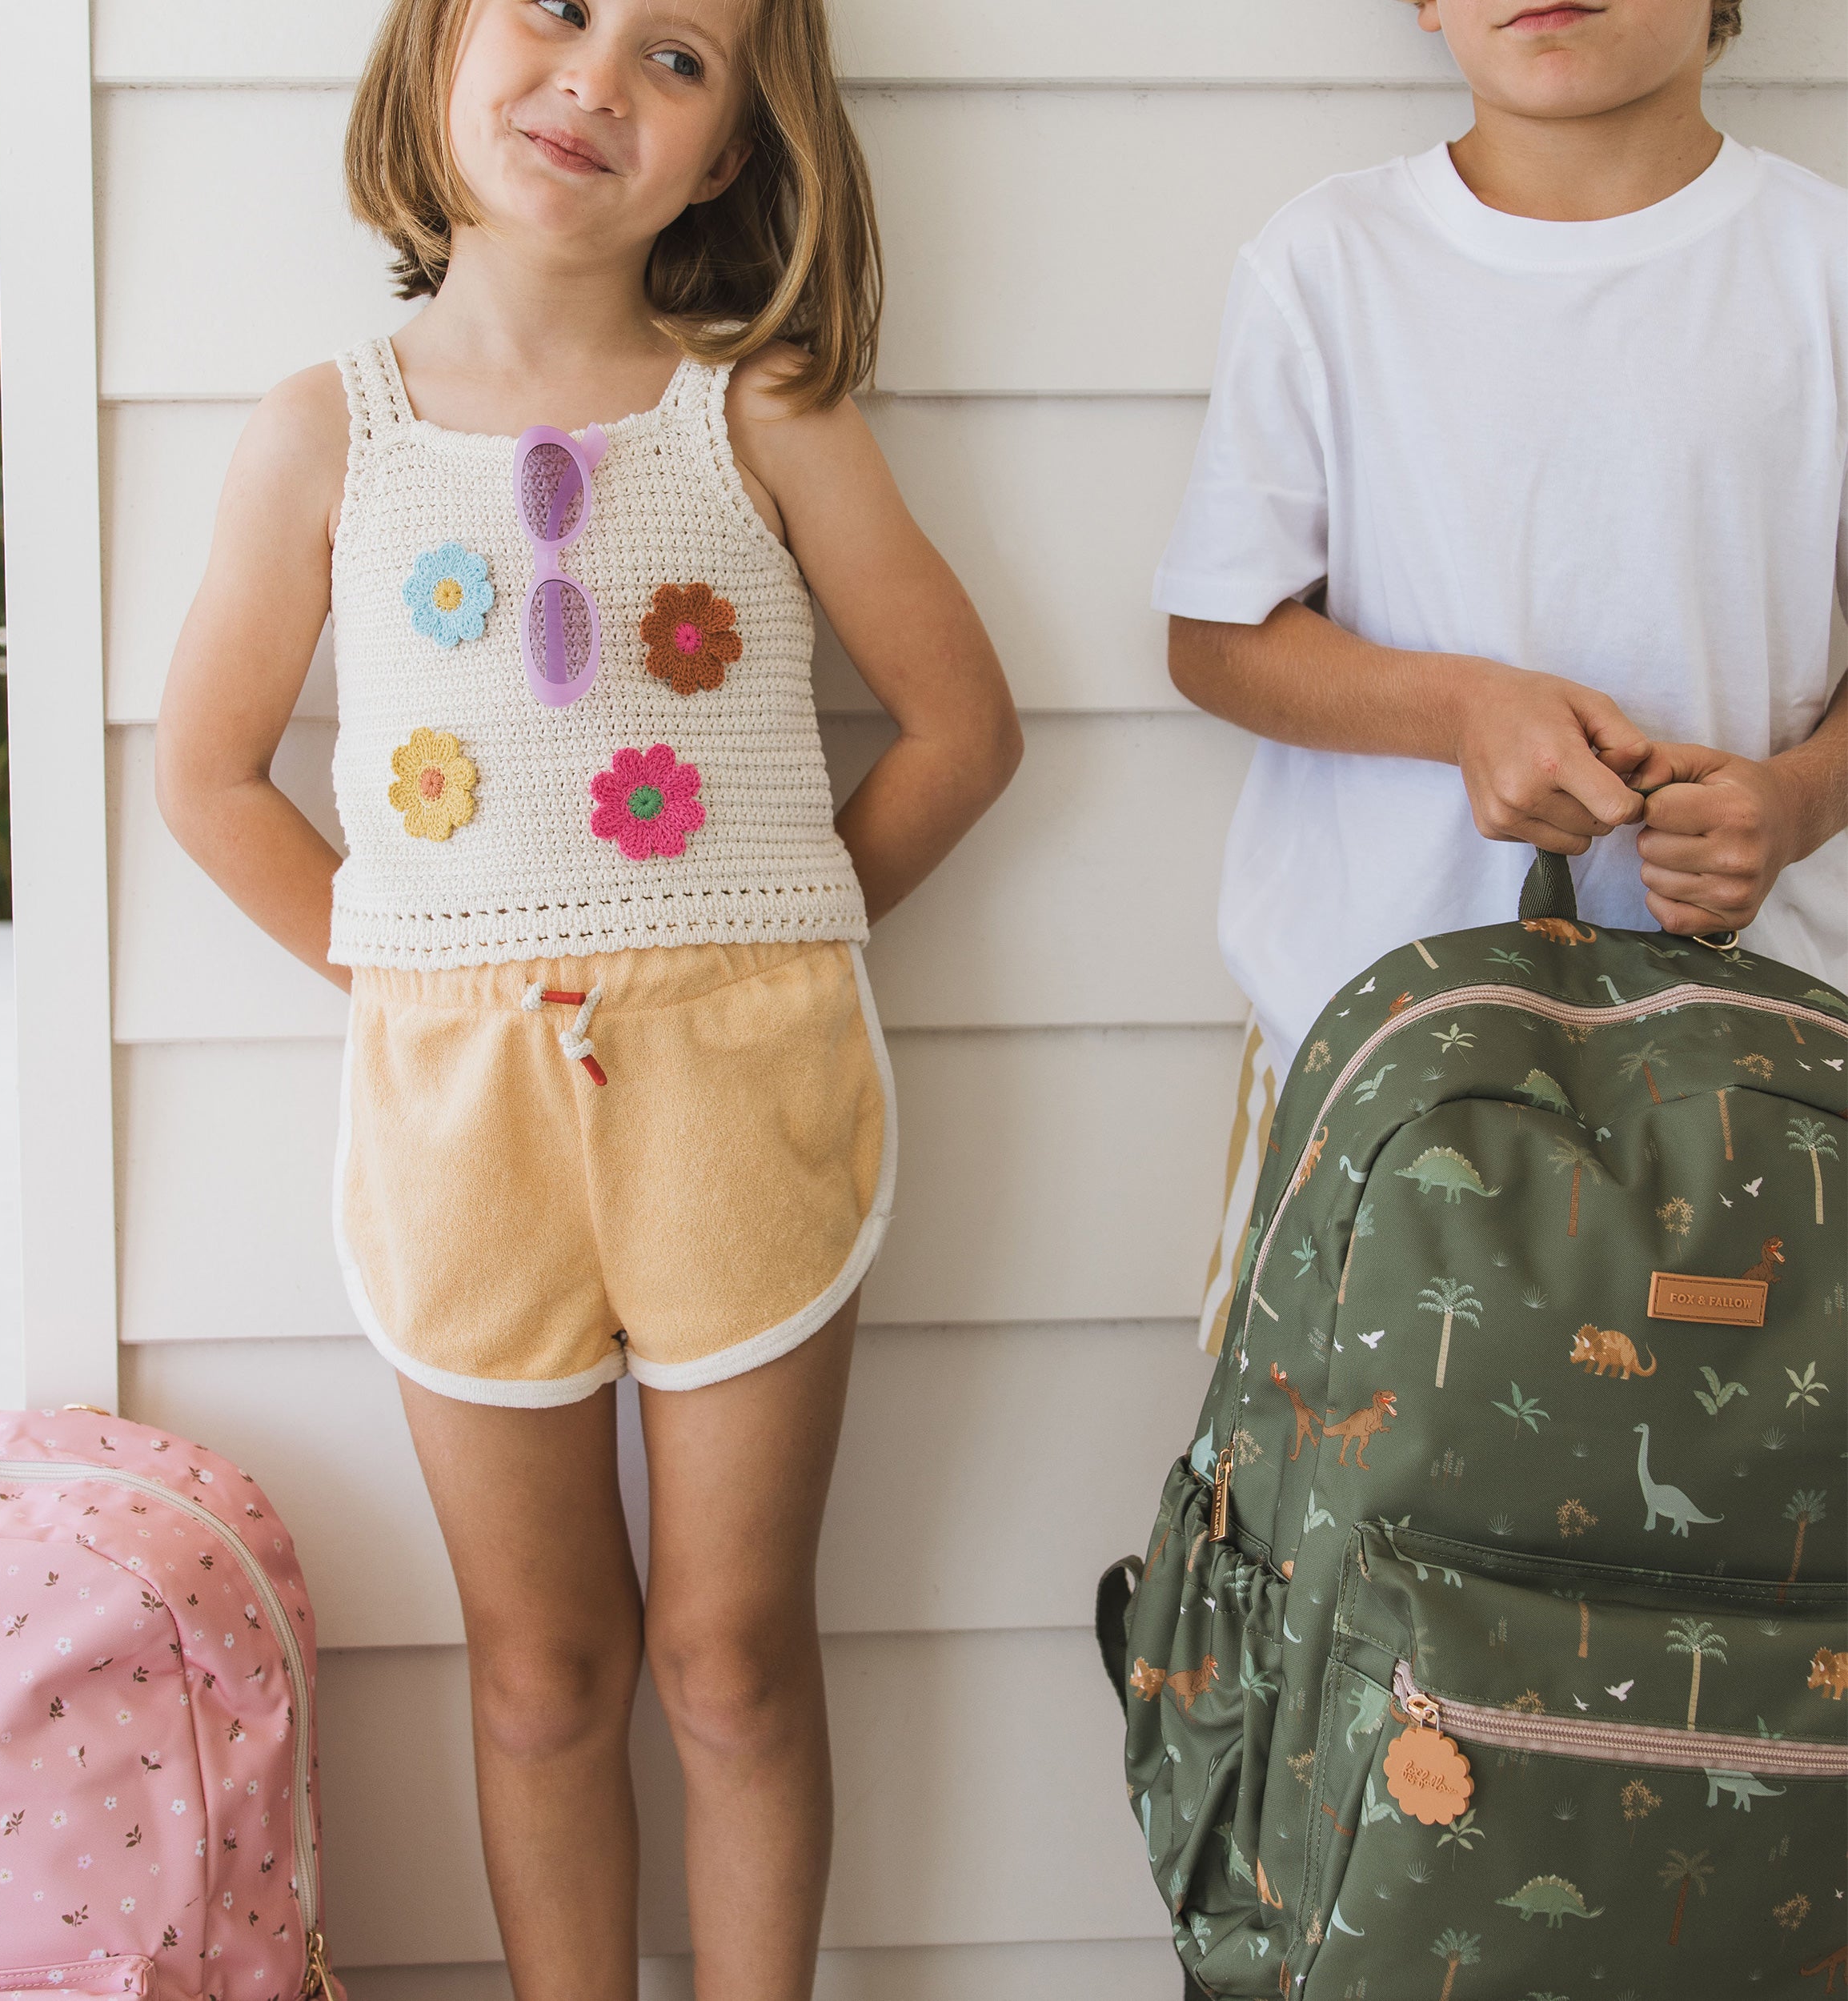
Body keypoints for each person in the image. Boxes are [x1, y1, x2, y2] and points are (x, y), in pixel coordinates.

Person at [154, 0, 1020, 1992]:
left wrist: (768, 935)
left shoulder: (764, 412)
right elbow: (208, 778)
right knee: (542, 1668)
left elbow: (961, 728)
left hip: (744, 1088)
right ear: (437, 43)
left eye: (677, 57)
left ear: (724, 154)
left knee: (727, 1654)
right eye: (551, 8)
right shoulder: (326, 430)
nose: (595, 75)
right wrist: (414, 973)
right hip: (456, 1105)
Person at [1161, 0, 1848, 1358]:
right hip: (1369, 1055)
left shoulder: (1824, 264)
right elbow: (1218, 638)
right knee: (1341, 1515)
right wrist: (1462, 710)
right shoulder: (1330, 262)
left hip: (1760, 1075)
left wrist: (1801, 801)